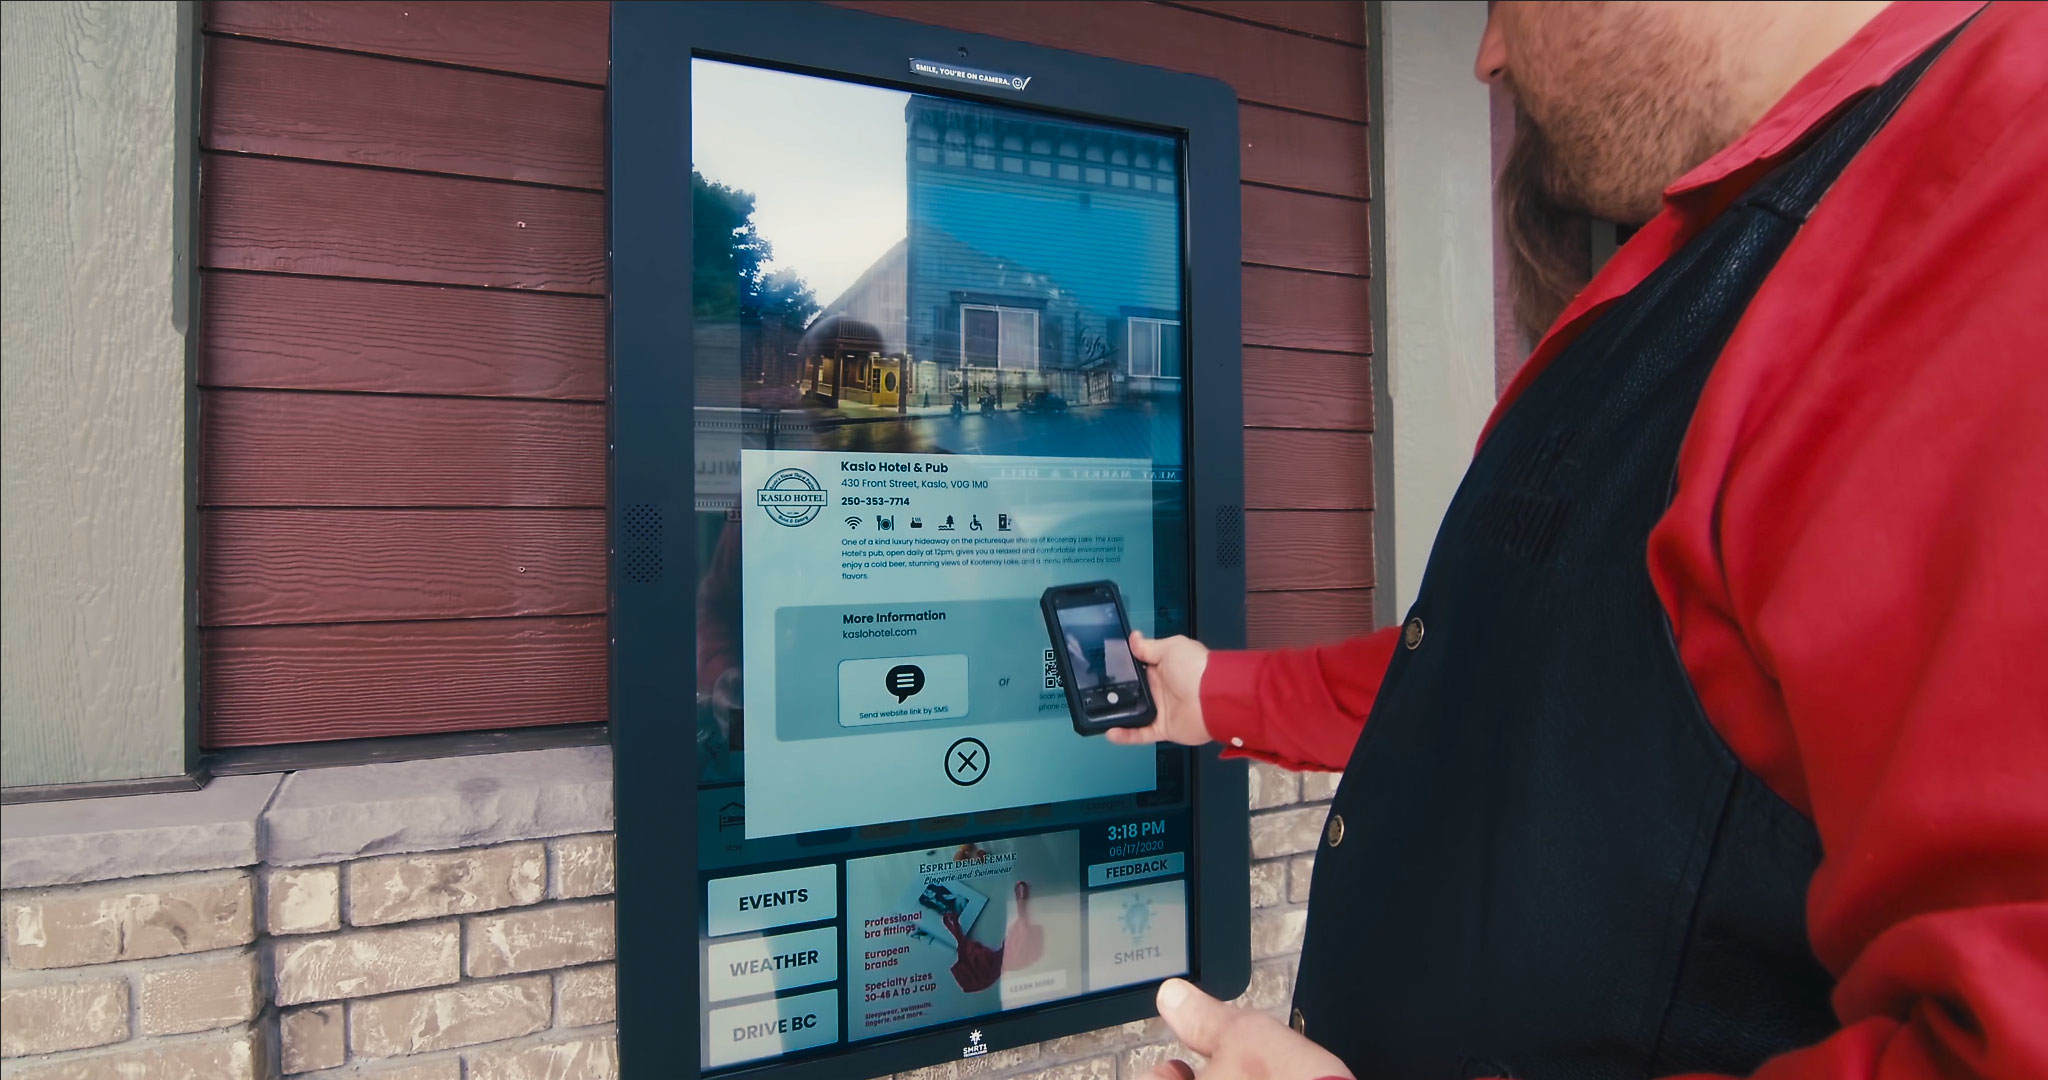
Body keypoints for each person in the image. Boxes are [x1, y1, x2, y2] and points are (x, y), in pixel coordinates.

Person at [1116, 3, 2048, 1079]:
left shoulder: (1996, 190)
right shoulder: (1723, 243)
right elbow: (1535, 660)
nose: (1487, 55)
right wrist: (1212, 695)